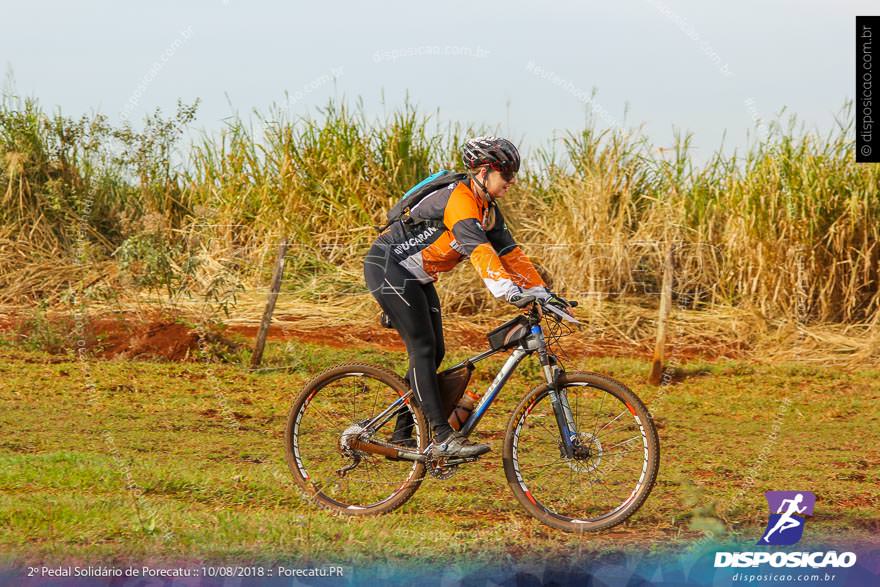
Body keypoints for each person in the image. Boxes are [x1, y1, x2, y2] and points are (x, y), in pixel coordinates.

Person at [363, 136, 570, 459]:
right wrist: (507, 291)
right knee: (423, 348)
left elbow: (510, 254)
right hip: (387, 267)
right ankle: (443, 436)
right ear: (484, 172)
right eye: (507, 175)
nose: (512, 182)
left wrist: (542, 293)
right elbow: (480, 251)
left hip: (415, 277)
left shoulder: (487, 208)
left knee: (436, 351)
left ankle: (402, 435)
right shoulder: (460, 201)